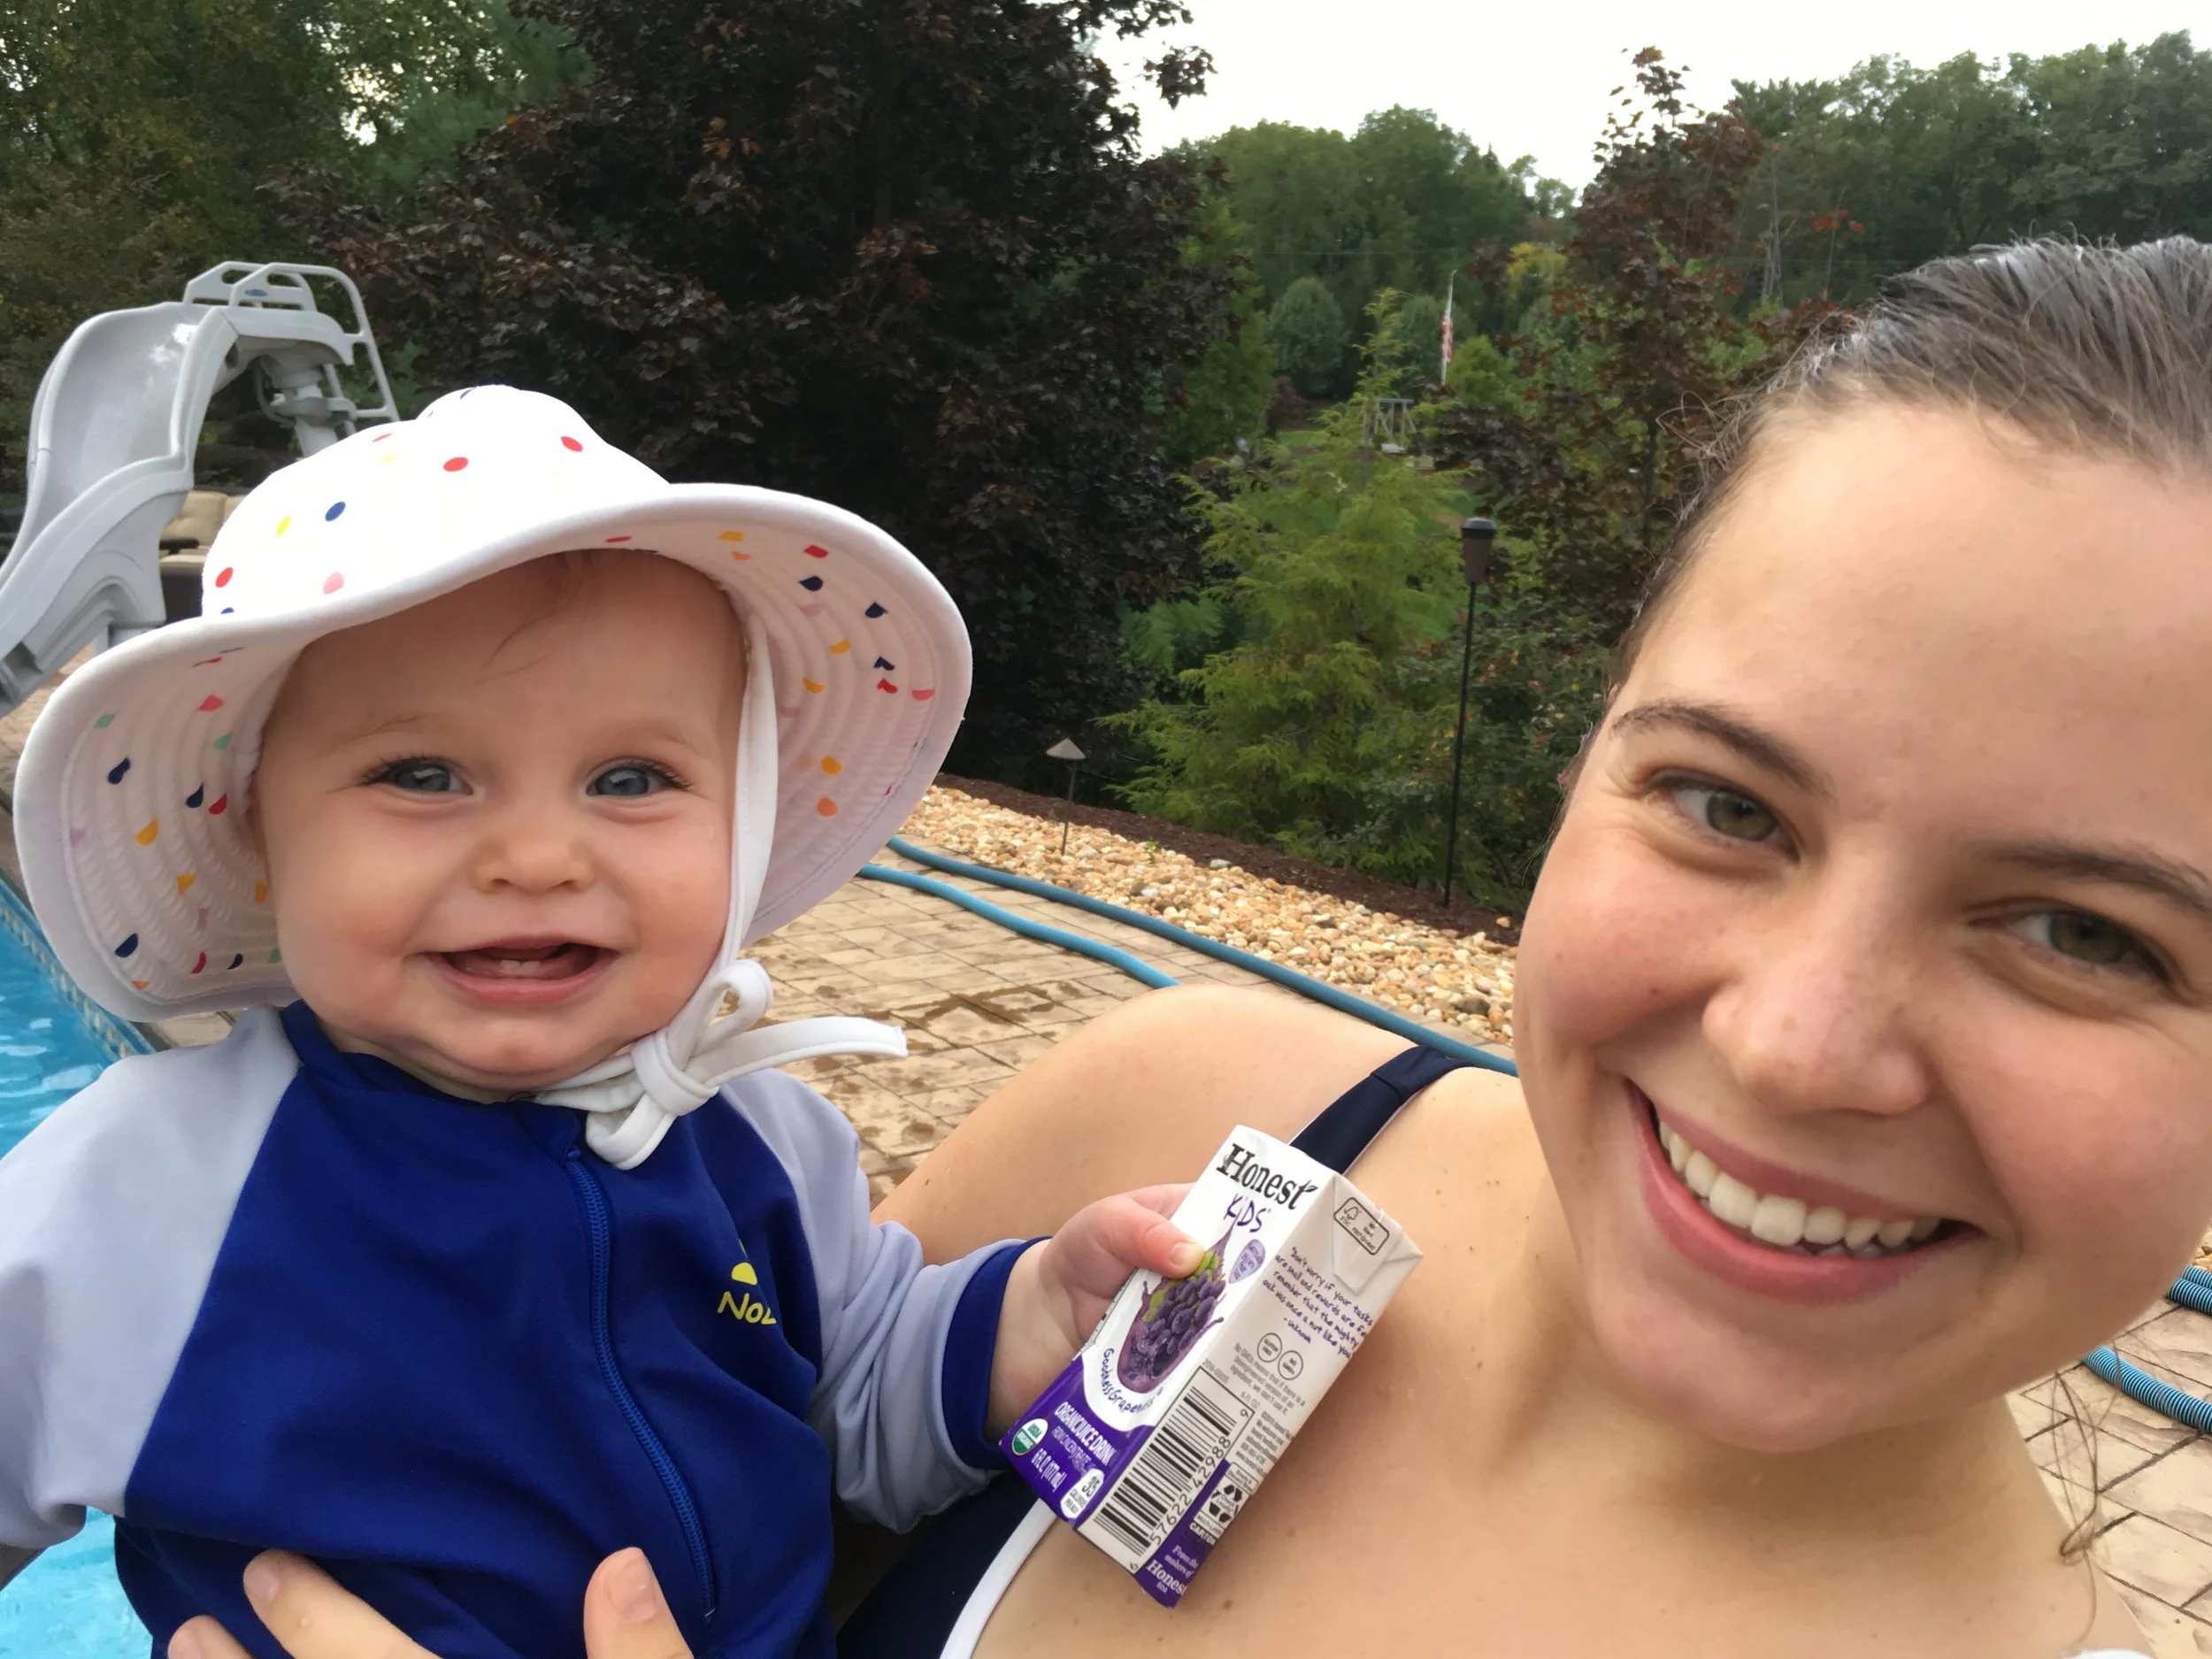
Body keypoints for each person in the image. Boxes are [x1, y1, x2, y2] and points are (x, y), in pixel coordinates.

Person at [173, 234, 2212, 1659]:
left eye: (2081, 932)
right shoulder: (1198, 1121)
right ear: (1586, 751)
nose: (1789, 1042)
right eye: (1727, 803)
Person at [0, 387, 1202, 1659]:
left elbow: (851, 1393)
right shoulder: (136, 1195)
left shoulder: (762, 1141)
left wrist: (1029, 1324)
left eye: (632, 778)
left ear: (740, 817)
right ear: (257, 826)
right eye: (422, 775)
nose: (536, 856)